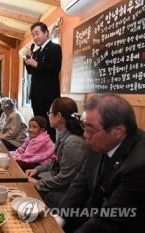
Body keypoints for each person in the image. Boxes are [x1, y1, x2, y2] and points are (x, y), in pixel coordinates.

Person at [56, 93, 145, 232]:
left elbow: (110, 219)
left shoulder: (139, 165)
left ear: (118, 130)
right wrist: (59, 218)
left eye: (90, 130)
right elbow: (81, 183)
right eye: (84, 127)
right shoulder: (97, 141)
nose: (85, 135)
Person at [25, 97, 86, 209]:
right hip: (58, 185)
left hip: (65, 192)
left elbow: (65, 179)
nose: (48, 115)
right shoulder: (63, 134)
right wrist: (36, 170)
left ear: (58, 116)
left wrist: (38, 184)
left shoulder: (73, 142)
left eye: (50, 112)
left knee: (28, 192)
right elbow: (54, 161)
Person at [24, 22, 62, 143]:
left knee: (49, 125)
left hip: (48, 94)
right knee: (39, 125)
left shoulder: (55, 48)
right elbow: (30, 71)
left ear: (46, 33)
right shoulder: (36, 52)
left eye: (37, 33)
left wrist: (37, 64)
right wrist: (27, 59)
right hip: (35, 94)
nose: (35, 37)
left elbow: (55, 68)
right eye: (33, 35)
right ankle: (39, 150)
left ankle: (50, 153)